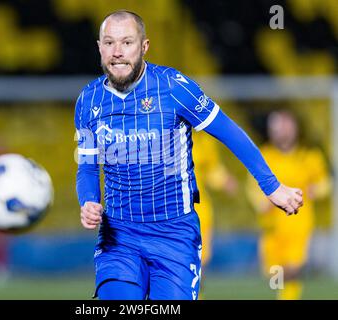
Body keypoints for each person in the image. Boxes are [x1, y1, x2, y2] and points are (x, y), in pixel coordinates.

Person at [75, 10, 303, 300]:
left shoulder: (174, 87)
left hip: (174, 234)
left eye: (127, 43)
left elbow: (230, 132)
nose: (117, 52)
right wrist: (89, 200)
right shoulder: (88, 100)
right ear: (99, 47)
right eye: (109, 43)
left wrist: (271, 186)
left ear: (144, 47)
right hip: (119, 236)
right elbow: (88, 168)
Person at [246, 110, 330, 300]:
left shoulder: (308, 156)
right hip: (271, 227)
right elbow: (252, 186)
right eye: (277, 128)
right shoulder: (264, 155)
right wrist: (260, 203)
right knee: (275, 275)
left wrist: (314, 190)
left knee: (293, 270)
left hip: (298, 224)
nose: (282, 131)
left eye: (286, 126)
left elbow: (326, 183)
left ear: (295, 129)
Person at [192, 132, 237, 298]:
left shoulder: (203, 140)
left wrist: (224, 180)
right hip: (166, 210)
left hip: (199, 210)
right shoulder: (162, 133)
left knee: (197, 264)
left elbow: (211, 169)